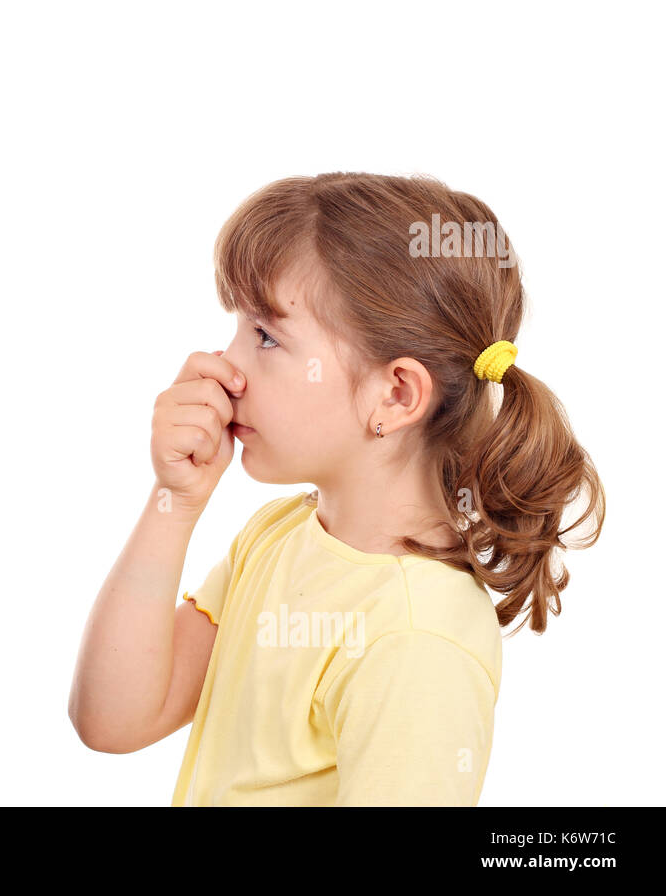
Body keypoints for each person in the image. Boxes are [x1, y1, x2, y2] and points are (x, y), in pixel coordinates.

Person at [68, 172, 605, 805]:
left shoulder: (415, 637)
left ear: (397, 395)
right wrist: (175, 502)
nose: (226, 364)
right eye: (239, 327)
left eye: (266, 337)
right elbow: (112, 719)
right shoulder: (279, 536)